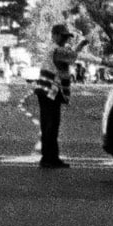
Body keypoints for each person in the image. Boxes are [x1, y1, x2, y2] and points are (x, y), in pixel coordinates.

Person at [32, 24, 75, 169]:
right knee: (50, 125)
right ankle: (49, 158)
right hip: (48, 91)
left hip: (50, 91)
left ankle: (51, 158)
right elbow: (73, 57)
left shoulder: (55, 49)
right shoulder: (56, 50)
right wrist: (82, 45)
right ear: (54, 35)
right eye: (63, 36)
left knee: (51, 125)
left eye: (67, 37)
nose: (65, 39)